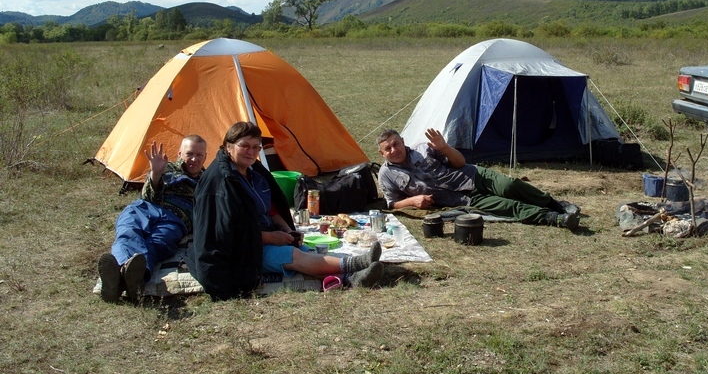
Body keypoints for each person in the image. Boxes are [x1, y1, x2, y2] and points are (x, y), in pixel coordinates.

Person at [188, 121, 383, 301]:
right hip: (243, 251)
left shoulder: (254, 173)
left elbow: (272, 209)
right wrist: (270, 238)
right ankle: (355, 264)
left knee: (306, 252)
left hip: (265, 235)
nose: (251, 152)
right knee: (295, 256)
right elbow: (221, 235)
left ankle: (352, 278)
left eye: (256, 147)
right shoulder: (217, 184)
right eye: (244, 145)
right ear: (228, 146)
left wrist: (286, 230)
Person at [377, 128, 581, 231]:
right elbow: (392, 203)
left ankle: (556, 204)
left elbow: (460, 162)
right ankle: (556, 219)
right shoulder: (386, 174)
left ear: (403, 141)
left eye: (396, 144)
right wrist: (412, 201)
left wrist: (444, 147)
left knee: (510, 186)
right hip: (462, 200)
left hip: (472, 175)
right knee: (508, 206)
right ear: (382, 154)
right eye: (388, 148)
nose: (394, 150)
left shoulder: (424, 148)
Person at [97, 135, 208, 303]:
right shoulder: (166, 167)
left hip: (176, 219)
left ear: (205, 156)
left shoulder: (208, 180)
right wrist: (155, 174)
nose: (194, 159)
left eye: (199, 155)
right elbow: (147, 195)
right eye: (189, 153)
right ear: (180, 154)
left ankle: (121, 279)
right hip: (147, 208)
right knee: (128, 232)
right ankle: (130, 278)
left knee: (159, 243)